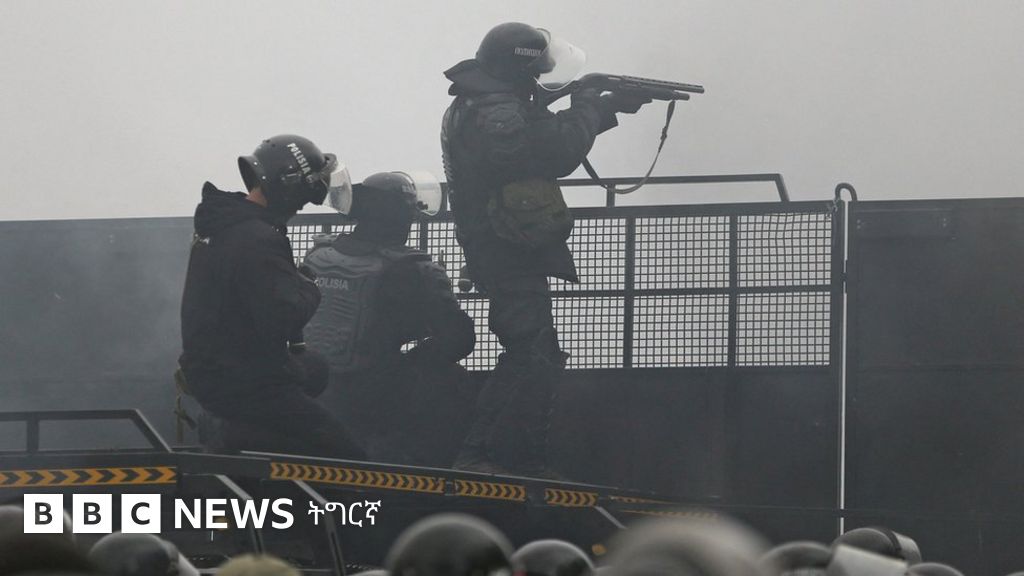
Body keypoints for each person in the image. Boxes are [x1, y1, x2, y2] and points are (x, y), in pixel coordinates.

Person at [440, 22, 650, 474]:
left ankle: (519, 457)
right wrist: (587, 105)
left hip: (504, 242)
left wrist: (603, 108)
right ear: (520, 67)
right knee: (529, 352)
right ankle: (480, 456)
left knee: (539, 354)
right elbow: (555, 151)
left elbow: (538, 137)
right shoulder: (497, 110)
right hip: (505, 247)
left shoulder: (491, 102)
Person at [178, 134, 365, 459]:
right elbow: (284, 317)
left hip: (212, 369)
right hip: (244, 382)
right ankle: (234, 436)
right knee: (348, 458)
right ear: (290, 188)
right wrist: (309, 286)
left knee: (316, 368)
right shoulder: (258, 239)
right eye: (305, 196)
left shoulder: (224, 225)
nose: (302, 206)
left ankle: (246, 432)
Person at [302, 170, 476, 466]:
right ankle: (423, 469)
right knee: (453, 380)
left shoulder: (318, 255)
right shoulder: (413, 268)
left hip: (307, 383)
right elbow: (459, 339)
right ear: (404, 217)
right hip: (369, 392)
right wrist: (415, 353)